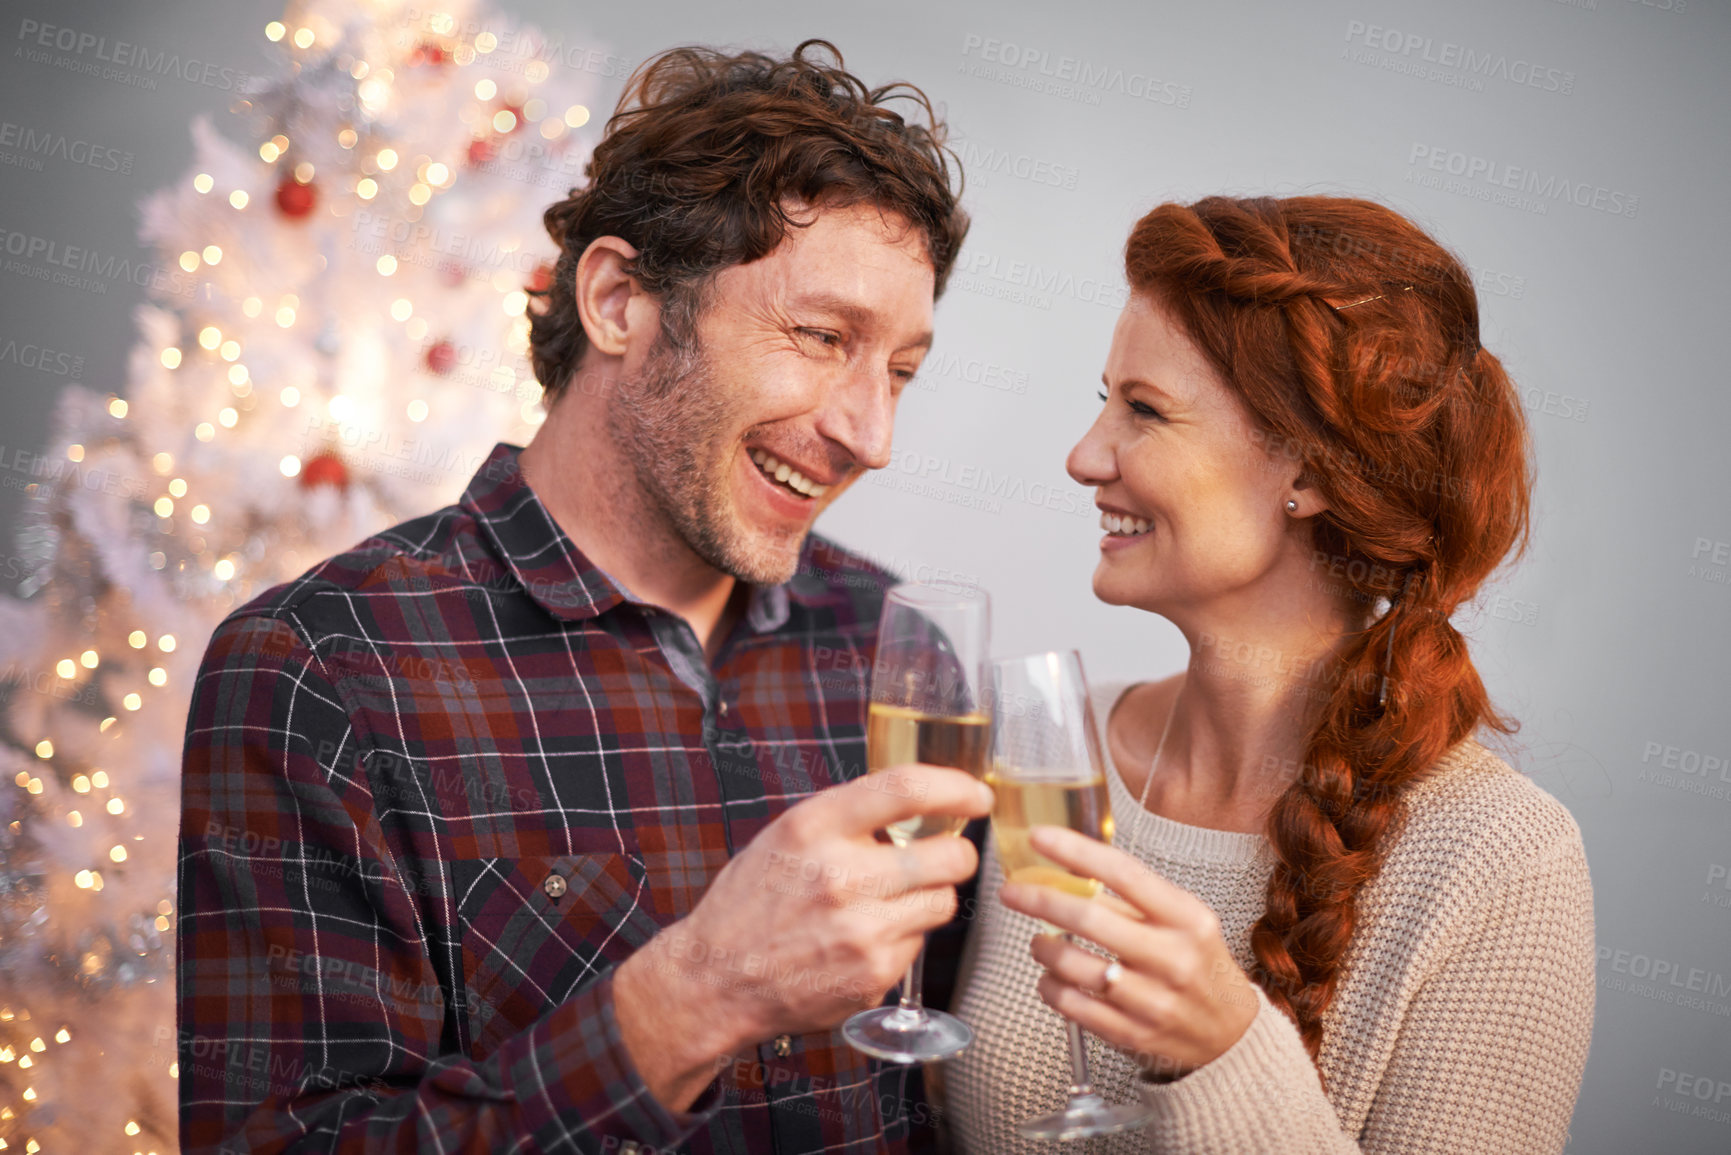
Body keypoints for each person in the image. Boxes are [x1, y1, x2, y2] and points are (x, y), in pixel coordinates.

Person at [176, 41, 989, 1154]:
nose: (870, 433)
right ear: (617, 301)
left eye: (899, 370)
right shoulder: (321, 670)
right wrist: (692, 998)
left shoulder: (896, 652)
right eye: (820, 337)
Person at [944, 196, 1595, 1152]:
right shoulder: (1039, 754)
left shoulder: (1499, 862)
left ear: (1311, 472)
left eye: (1144, 411)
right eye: (1103, 400)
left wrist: (1221, 1050)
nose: (1085, 457)